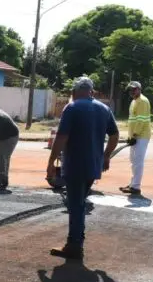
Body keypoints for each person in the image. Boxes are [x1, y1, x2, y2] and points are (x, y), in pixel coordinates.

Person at [46, 76, 119, 261]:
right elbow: (115, 135)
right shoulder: (104, 109)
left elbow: (61, 137)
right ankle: (77, 240)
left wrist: (51, 161)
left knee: (75, 205)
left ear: (73, 92)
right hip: (93, 166)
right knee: (79, 202)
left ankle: (74, 245)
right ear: (91, 92)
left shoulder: (71, 108)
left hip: (75, 165)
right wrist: (106, 156)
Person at [120, 81, 151, 196]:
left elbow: (141, 120)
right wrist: (131, 136)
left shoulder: (142, 101)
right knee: (133, 161)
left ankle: (136, 187)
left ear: (139, 89)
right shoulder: (134, 101)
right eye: (130, 90)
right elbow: (133, 120)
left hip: (141, 136)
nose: (131, 92)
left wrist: (135, 135)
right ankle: (133, 184)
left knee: (138, 162)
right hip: (135, 136)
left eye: (134, 89)